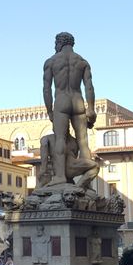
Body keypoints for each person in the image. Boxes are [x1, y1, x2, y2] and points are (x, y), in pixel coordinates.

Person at [42, 32, 97, 186]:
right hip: (78, 101)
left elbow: (46, 89)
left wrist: (50, 111)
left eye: (55, 43)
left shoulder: (51, 61)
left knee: (60, 138)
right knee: (83, 140)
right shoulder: (82, 62)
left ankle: (59, 177)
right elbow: (89, 87)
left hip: (61, 101)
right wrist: (91, 108)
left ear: (59, 43)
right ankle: (88, 182)